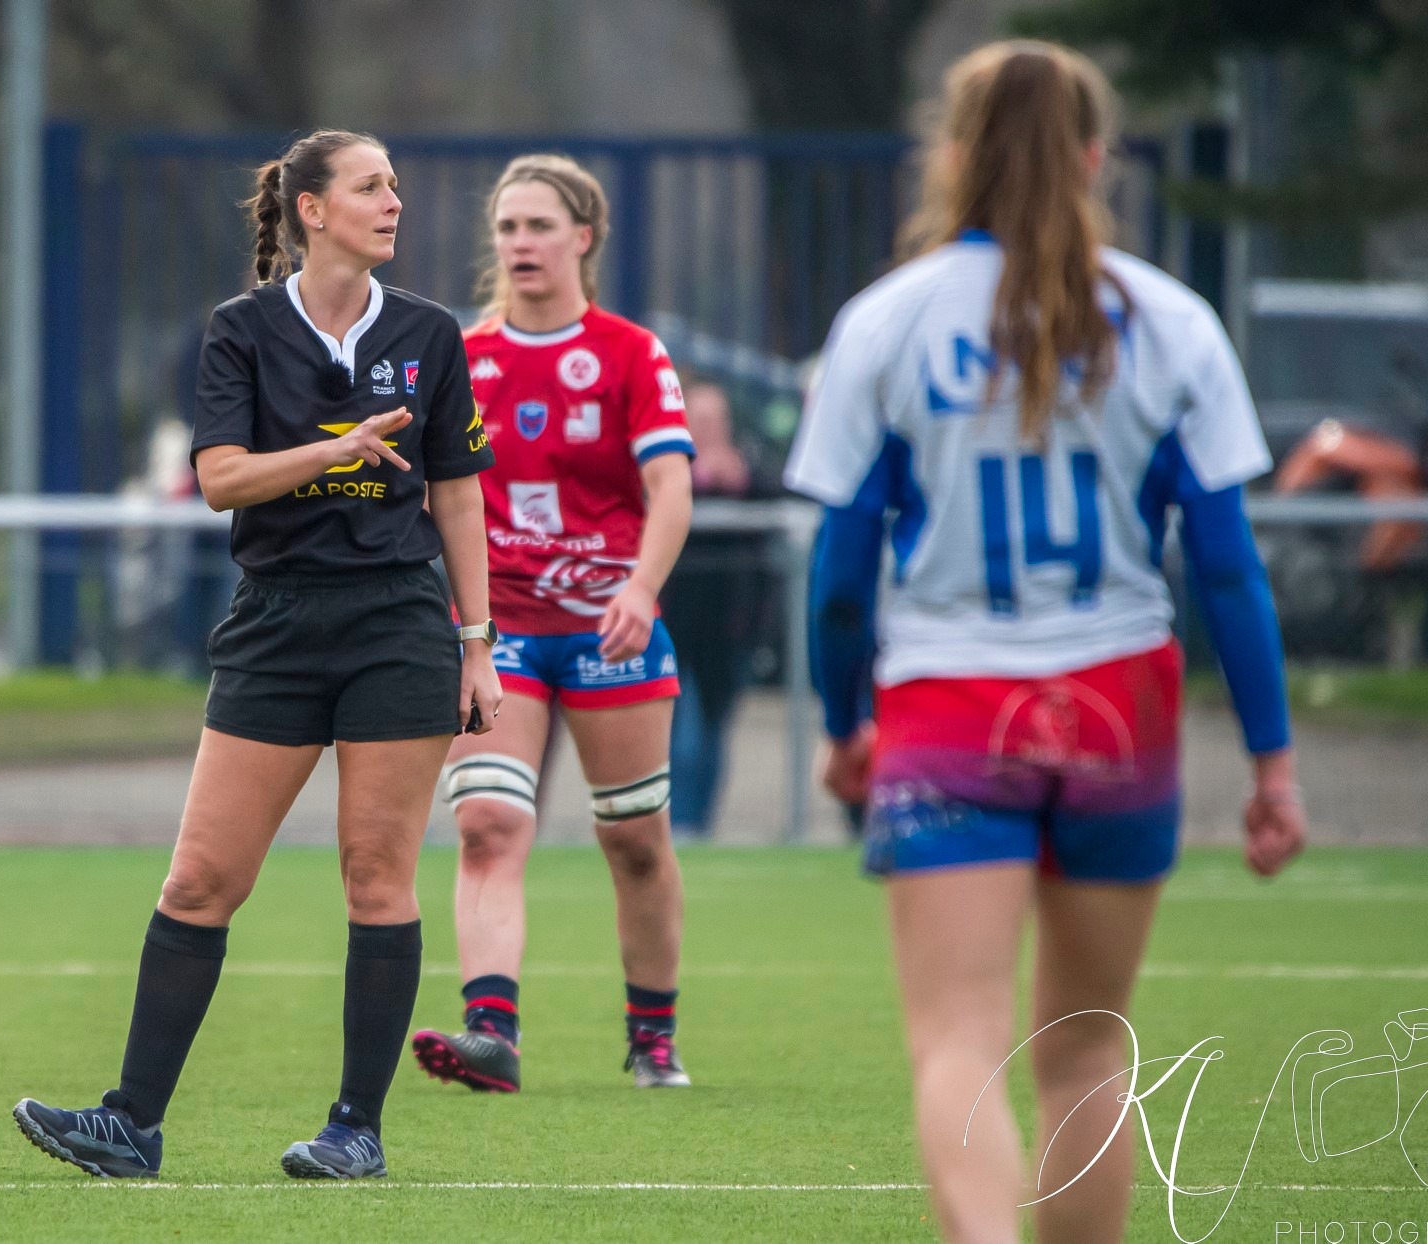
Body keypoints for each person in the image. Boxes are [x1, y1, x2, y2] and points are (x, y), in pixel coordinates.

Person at [784, 42, 1308, 1243]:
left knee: (958, 1042)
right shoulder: (1167, 319)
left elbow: (839, 574)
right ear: (1091, 155)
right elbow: (1226, 569)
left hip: (949, 703)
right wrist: (1272, 762)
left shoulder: (886, 321)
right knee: (1081, 1055)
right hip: (1121, 702)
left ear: (952, 155)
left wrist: (838, 719)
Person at [13, 129, 502, 1182]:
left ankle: (354, 1128)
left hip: (397, 624)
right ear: (312, 209)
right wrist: (336, 447)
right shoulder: (238, 329)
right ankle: (130, 1123)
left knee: (376, 876)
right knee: (199, 877)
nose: (394, 202)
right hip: (276, 622)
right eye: (372, 187)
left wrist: (477, 645)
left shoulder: (429, 332)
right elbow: (223, 478)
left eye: (396, 187)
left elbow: (458, 493)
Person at [409, 153, 697, 1095]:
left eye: (539, 226)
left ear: (584, 237)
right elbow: (430, 493)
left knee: (635, 839)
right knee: (488, 823)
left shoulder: (629, 353)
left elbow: (671, 486)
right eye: (506, 227)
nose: (521, 243)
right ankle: (493, 1032)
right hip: (500, 633)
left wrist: (643, 588)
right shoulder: (463, 358)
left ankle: (652, 1035)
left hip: (611, 631)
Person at [658, 379, 764, 838]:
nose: (709, 428)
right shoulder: (666, 466)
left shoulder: (749, 470)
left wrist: (741, 482)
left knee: (716, 728)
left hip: (730, 626)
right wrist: (696, 481)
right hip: (675, 622)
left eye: (715, 420)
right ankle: (681, 822)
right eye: (699, 419)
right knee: (684, 729)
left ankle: (701, 824)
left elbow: (783, 498)